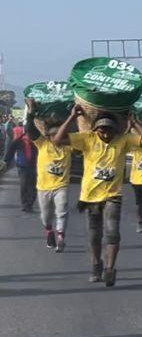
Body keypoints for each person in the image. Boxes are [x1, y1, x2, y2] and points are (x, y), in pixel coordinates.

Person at [54, 106, 142, 287]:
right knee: (94, 235)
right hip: (90, 197)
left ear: (115, 130)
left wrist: (134, 122)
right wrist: (72, 117)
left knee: (112, 233)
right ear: (95, 129)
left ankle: (110, 269)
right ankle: (96, 264)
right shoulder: (87, 139)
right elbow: (57, 140)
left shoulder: (123, 141)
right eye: (102, 130)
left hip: (112, 195)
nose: (106, 134)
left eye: (109, 130)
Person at [22, 100, 72, 251]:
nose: (56, 137)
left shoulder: (69, 147)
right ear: (48, 136)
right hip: (43, 188)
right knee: (46, 216)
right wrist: (31, 112)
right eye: (53, 135)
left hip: (61, 186)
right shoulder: (42, 144)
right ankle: (49, 231)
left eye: (59, 134)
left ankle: (61, 236)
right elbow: (30, 130)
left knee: (62, 210)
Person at [4, 122, 38, 213]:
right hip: (22, 167)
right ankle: (25, 204)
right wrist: (6, 161)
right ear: (26, 132)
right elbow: (10, 150)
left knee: (33, 186)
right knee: (24, 185)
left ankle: (30, 204)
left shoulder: (36, 142)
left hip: (33, 166)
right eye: (29, 133)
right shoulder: (19, 141)